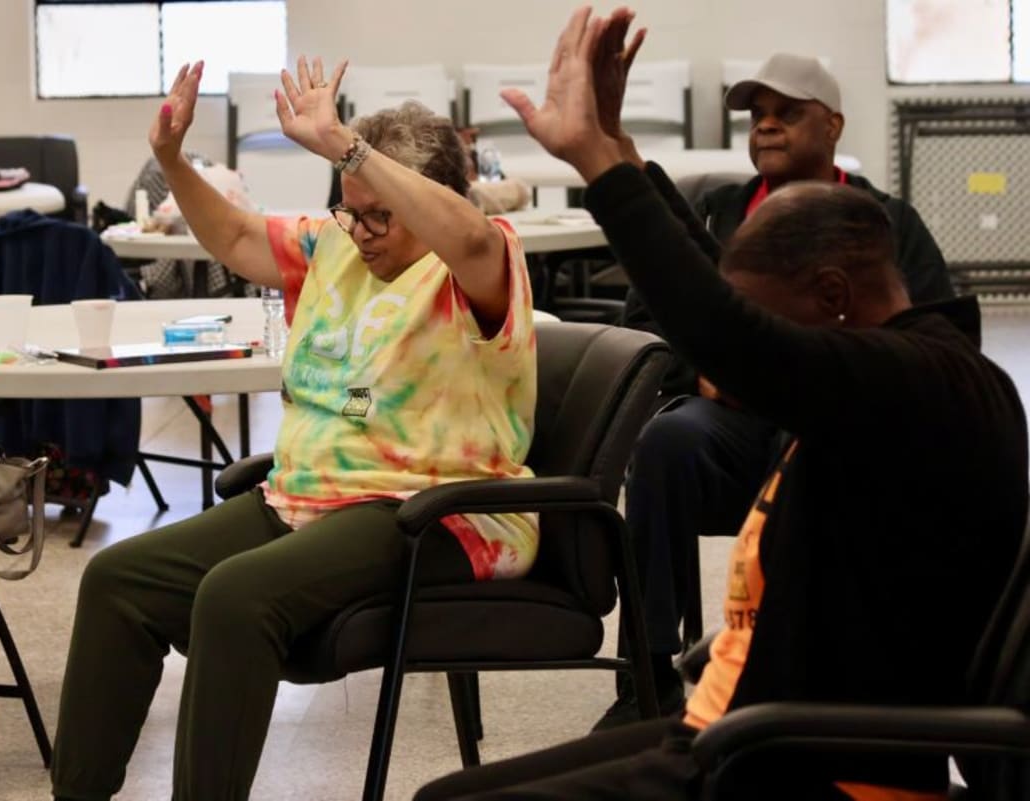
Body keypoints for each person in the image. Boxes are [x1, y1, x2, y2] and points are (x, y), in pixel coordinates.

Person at [415, 6, 1027, 799]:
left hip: (802, 764)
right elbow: (721, 296)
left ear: (835, 299)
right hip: (736, 726)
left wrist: (599, 166)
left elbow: (730, 328)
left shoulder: (922, 386)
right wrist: (624, 153)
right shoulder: (906, 369)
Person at [50, 56, 540, 801]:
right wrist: (170, 160)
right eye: (353, 210)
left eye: (382, 214)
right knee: (118, 580)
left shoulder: (472, 261)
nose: (364, 231)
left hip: (433, 511)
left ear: (432, 200)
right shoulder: (334, 246)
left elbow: (468, 238)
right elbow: (238, 238)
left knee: (234, 596)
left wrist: (347, 144)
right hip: (308, 498)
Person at [602, 51, 957, 725]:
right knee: (668, 440)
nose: (766, 127)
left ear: (834, 127)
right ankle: (646, 679)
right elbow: (646, 319)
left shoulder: (882, 224)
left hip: (824, 421)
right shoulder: (717, 213)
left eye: (787, 113)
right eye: (757, 115)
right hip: (732, 423)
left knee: (809, 452)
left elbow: (931, 335)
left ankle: (779, 676)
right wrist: (701, 371)